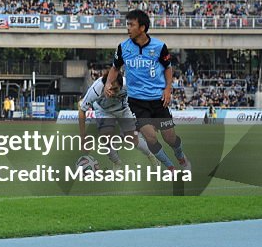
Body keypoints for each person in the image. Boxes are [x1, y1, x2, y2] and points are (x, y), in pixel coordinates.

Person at [105, 10, 191, 171]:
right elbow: (115, 68)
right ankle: (170, 167)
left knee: (170, 138)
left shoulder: (159, 47)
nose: (128, 28)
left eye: (131, 25)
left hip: (158, 100)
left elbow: (168, 68)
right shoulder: (123, 47)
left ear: (142, 28)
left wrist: (167, 89)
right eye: (127, 24)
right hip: (137, 102)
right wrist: (108, 84)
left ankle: (181, 158)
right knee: (151, 138)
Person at [77, 67, 155, 166]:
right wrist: (83, 137)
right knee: (106, 137)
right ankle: (117, 163)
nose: (112, 92)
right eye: (109, 88)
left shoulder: (129, 85)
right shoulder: (96, 89)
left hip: (123, 110)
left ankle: (150, 155)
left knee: (132, 139)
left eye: (115, 89)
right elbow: (82, 110)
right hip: (103, 111)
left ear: (122, 86)